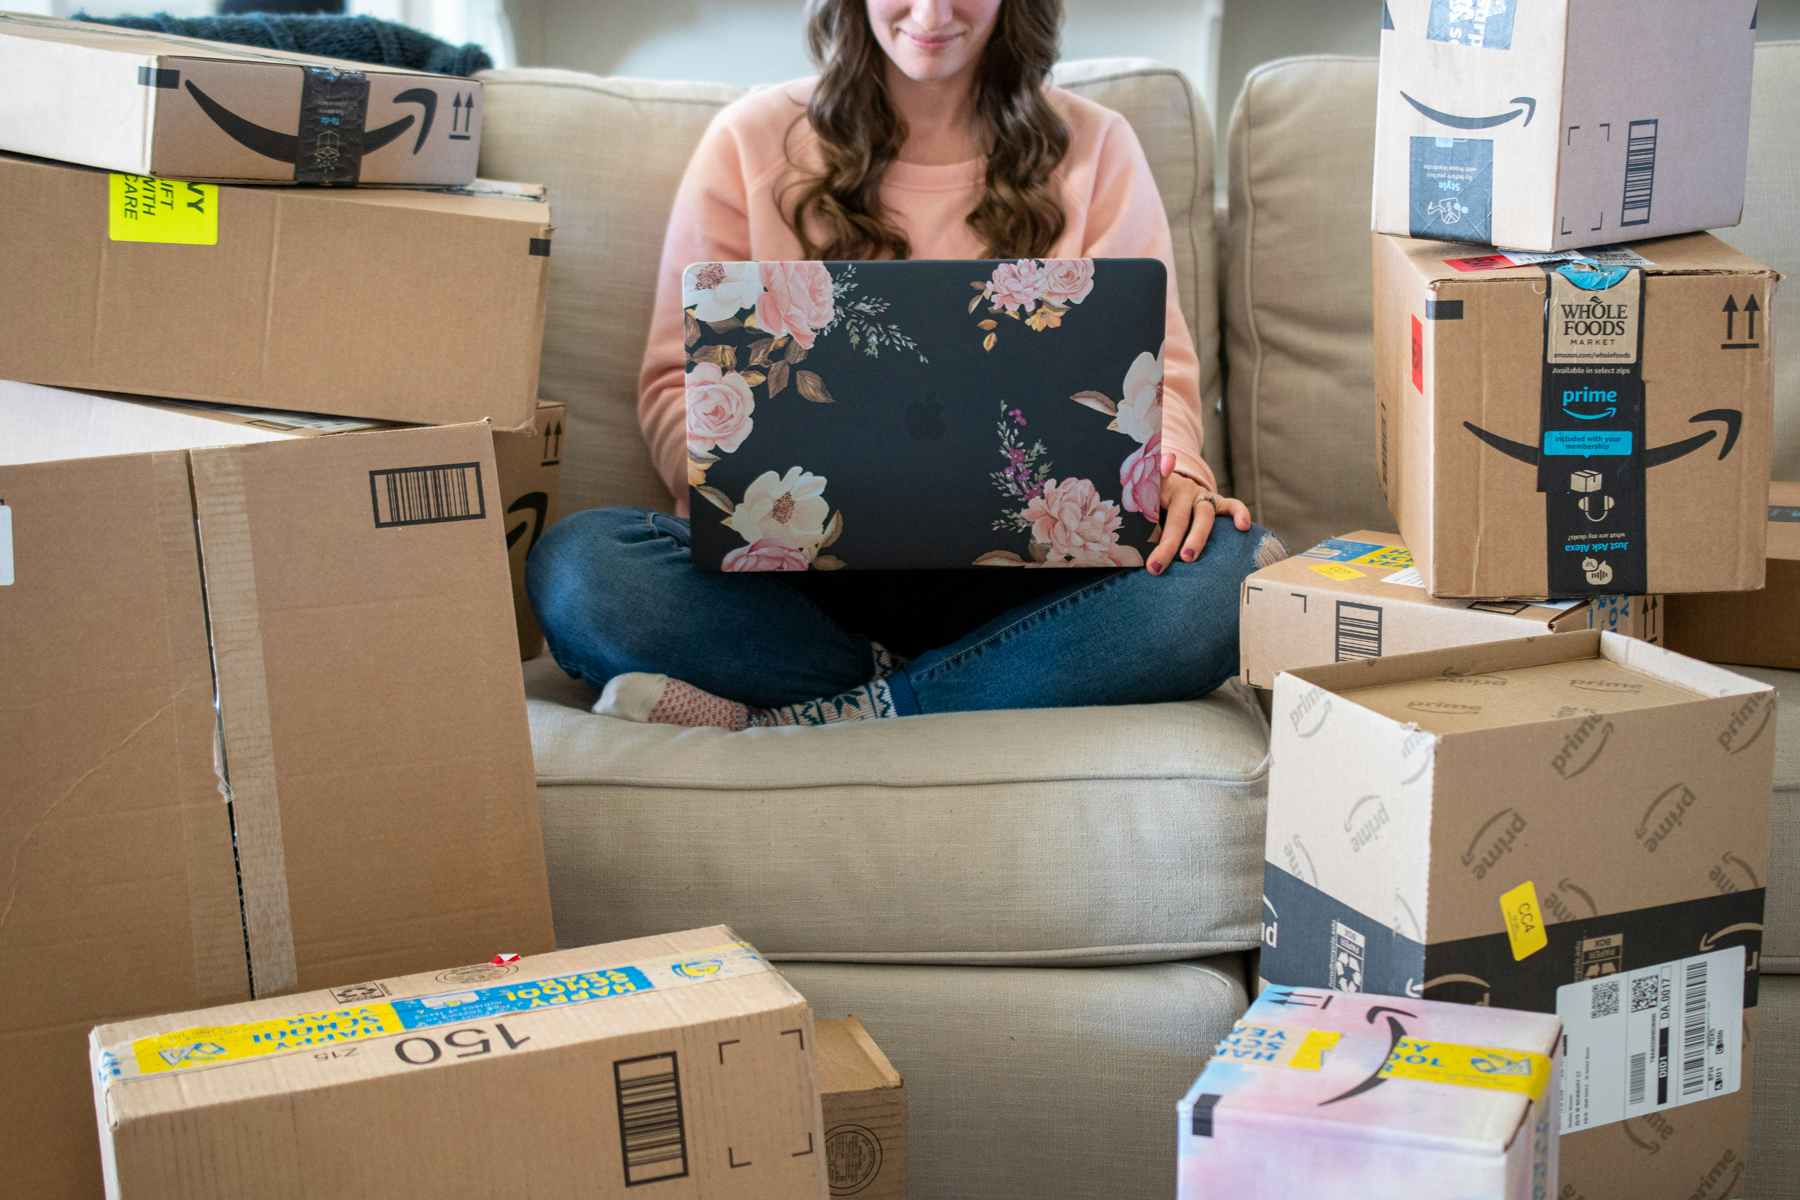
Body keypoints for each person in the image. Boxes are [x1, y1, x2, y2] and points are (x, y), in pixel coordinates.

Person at [529, 0, 1283, 728]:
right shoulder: (749, 141)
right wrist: (728, 482)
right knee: (581, 568)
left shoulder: (1096, 146)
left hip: (1035, 583)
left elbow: (1159, 369)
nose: (931, 13)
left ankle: (841, 710)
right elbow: (675, 382)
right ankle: (963, 687)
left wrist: (1176, 468)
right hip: (804, 588)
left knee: (1238, 571)